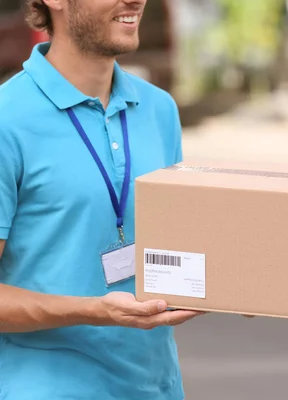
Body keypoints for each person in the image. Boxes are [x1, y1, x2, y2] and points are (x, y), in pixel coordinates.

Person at [0, 1, 204, 399]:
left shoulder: (159, 108)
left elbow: (179, 250)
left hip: (155, 387)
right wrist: (93, 310)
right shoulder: (6, 119)